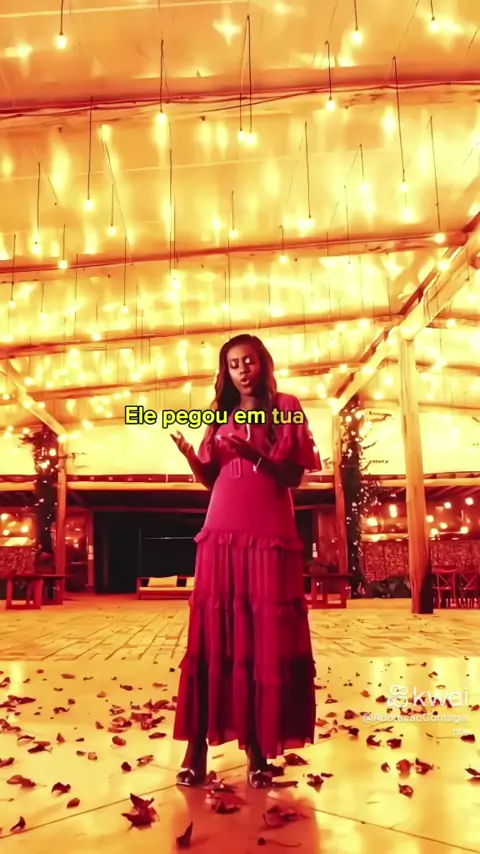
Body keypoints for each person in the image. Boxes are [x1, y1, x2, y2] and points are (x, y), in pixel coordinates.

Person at [171, 333, 321, 788]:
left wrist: (258, 456)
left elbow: (293, 475)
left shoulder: (286, 407)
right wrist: (191, 460)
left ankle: (258, 751)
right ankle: (196, 750)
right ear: (226, 371)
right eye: (233, 363)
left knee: (264, 641)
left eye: (248, 361)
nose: (241, 370)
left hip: (270, 535)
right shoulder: (219, 415)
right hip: (221, 533)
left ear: (263, 363)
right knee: (212, 638)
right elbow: (210, 478)